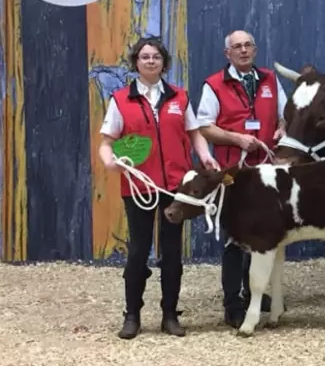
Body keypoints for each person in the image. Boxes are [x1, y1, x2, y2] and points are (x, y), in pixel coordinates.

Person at [98, 36, 219, 340]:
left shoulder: (179, 97)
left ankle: (169, 314)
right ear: (136, 62)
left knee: (172, 252)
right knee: (138, 251)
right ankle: (132, 315)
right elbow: (106, 143)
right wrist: (110, 162)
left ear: (164, 62)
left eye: (156, 57)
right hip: (138, 186)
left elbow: (195, 134)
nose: (150, 61)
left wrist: (204, 155)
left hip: (175, 187)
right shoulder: (121, 99)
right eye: (144, 57)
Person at [196, 29, 287, 328]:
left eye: (248, 45)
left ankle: (254, 296)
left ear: (255, 50)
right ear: (227, 54)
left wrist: (283, 128)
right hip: (233, 174)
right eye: (237, 47)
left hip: (268, 174)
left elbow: (285, 115)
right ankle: (232, 304)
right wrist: (236, 138)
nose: (244, 51)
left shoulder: (271, 81)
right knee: (235, 241)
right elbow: (205, 127)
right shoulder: (213, 84)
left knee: (262, 236)